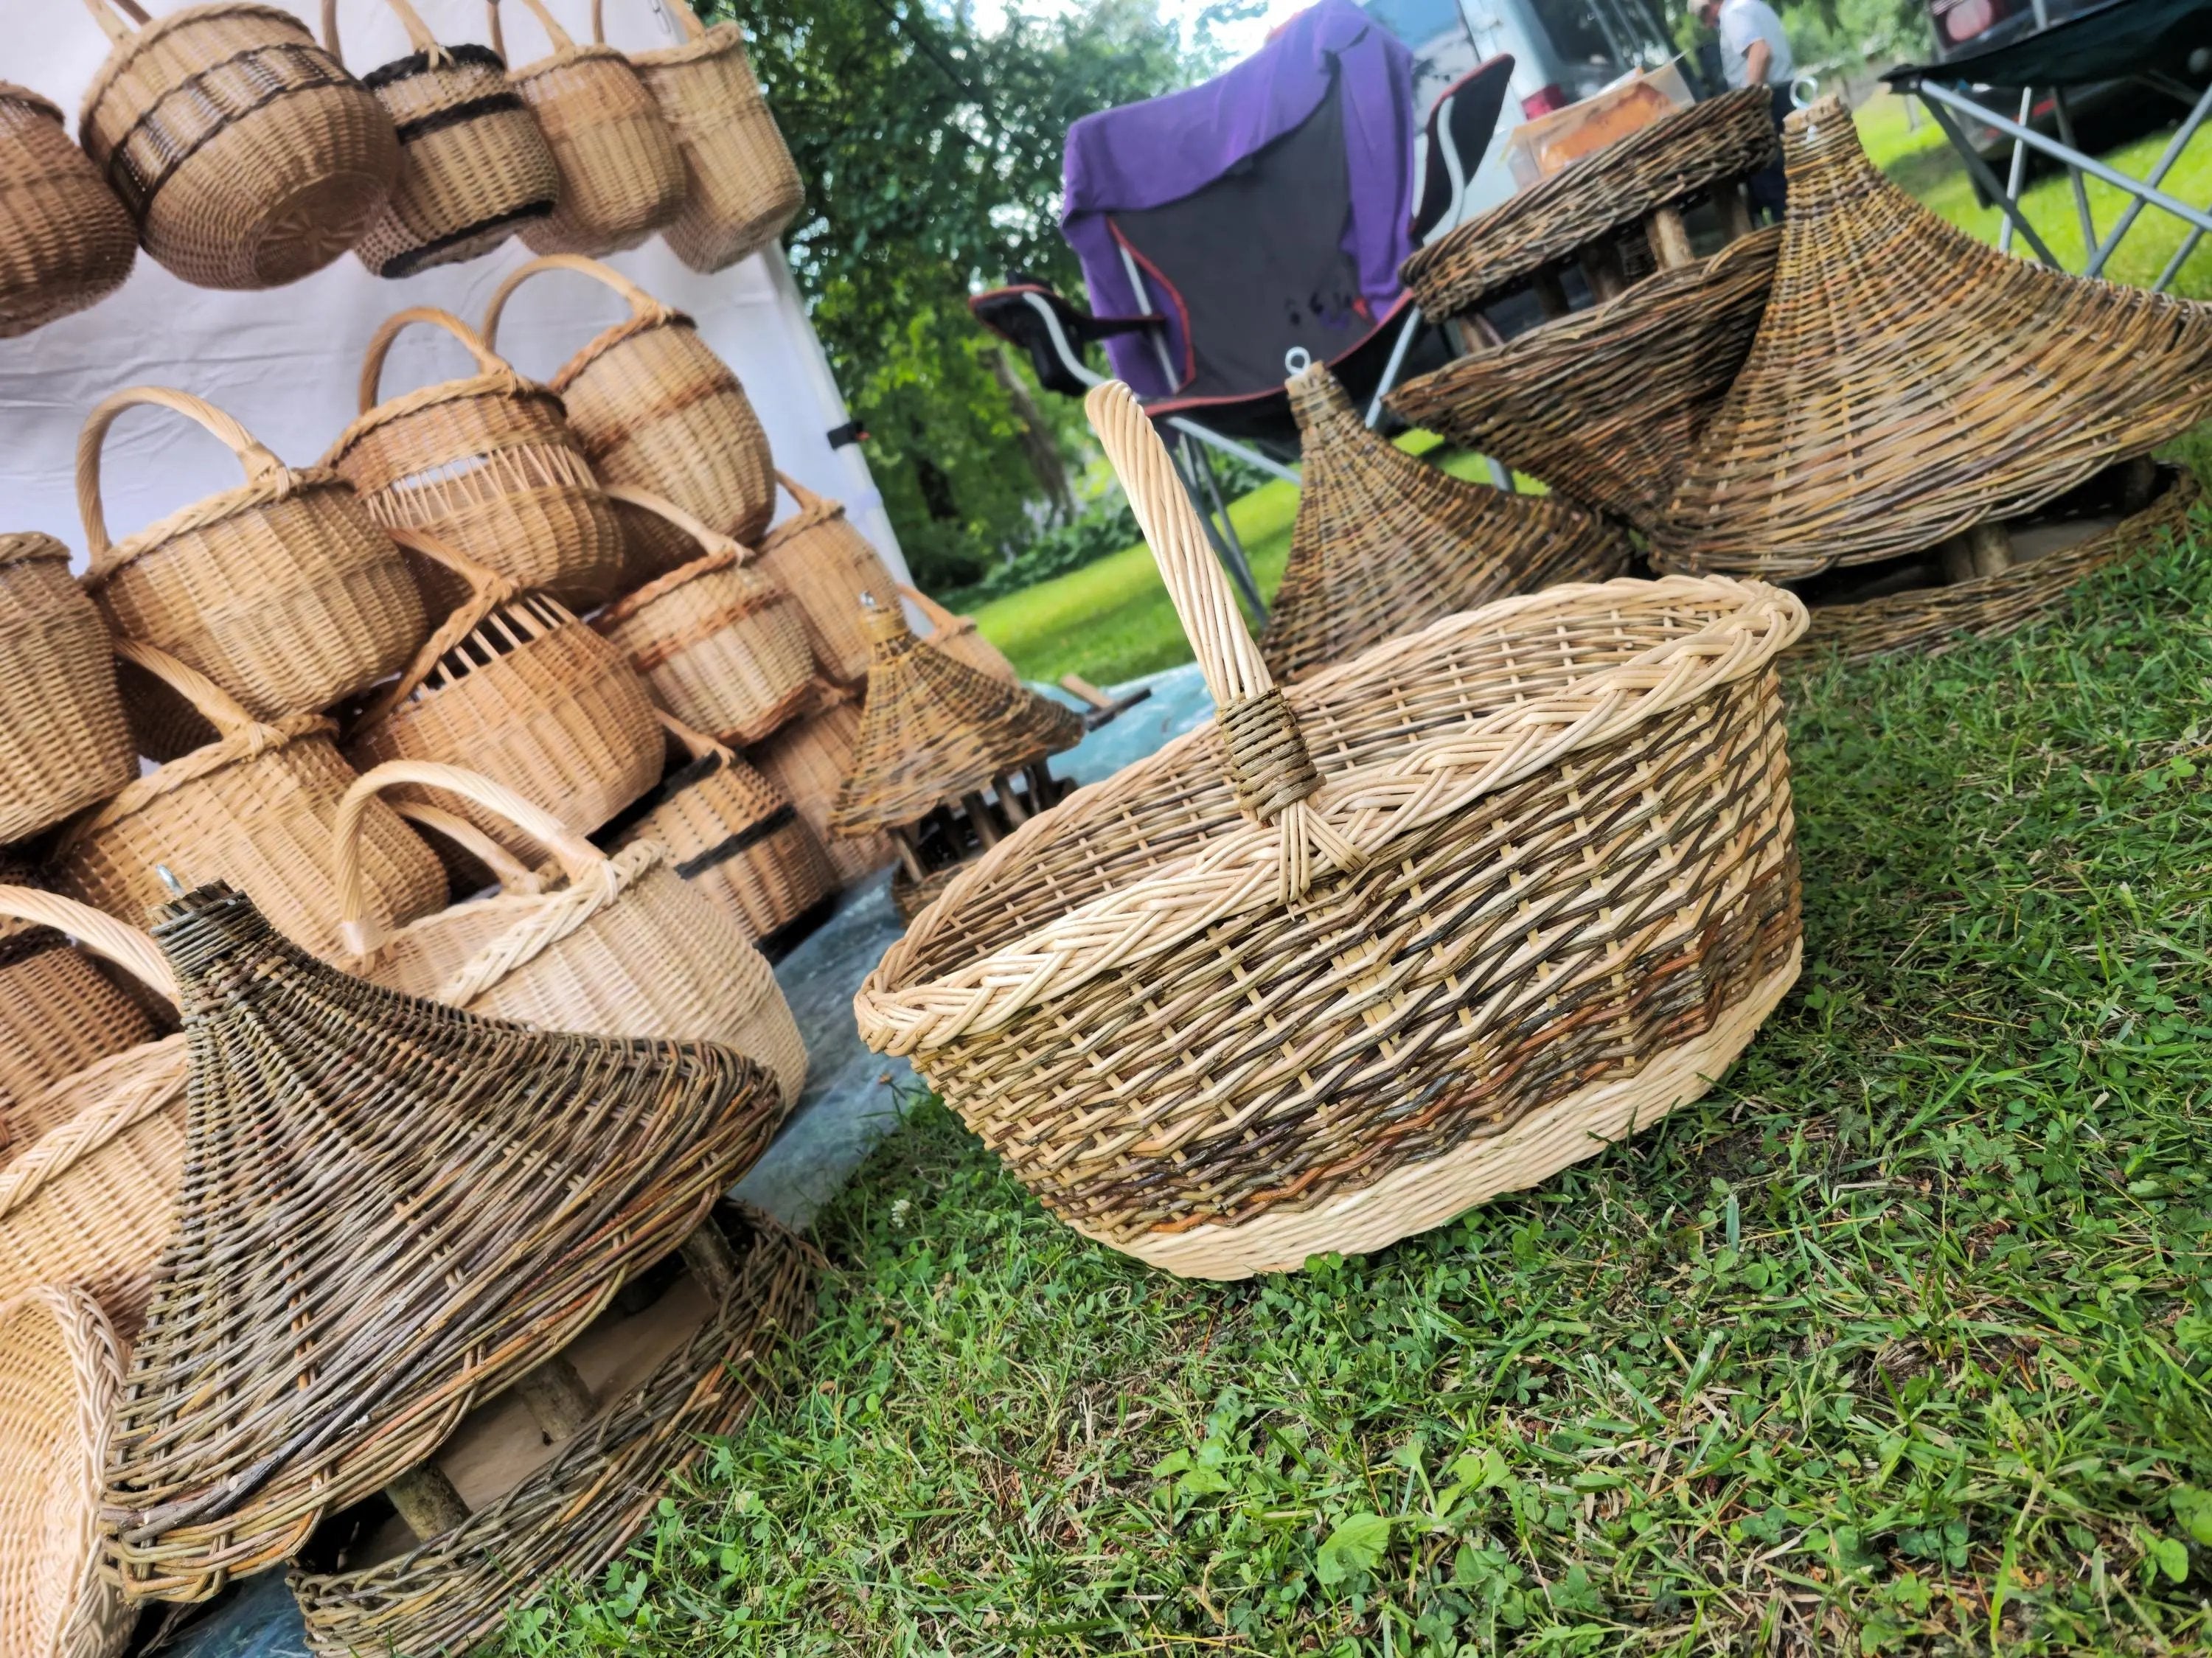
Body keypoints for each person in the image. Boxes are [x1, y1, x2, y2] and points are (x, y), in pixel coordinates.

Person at [1697, 0, 1794, 219]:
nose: (1707, 24)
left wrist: (1749, 104)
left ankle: (1795, 243)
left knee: (1776, 185)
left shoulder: (1733, 15)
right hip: (1783, 94)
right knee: (1793, 174)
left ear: (1710, 6)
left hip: (1767, 105)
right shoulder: (1753, 5)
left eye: (1703, 15)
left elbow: (1760, 52)